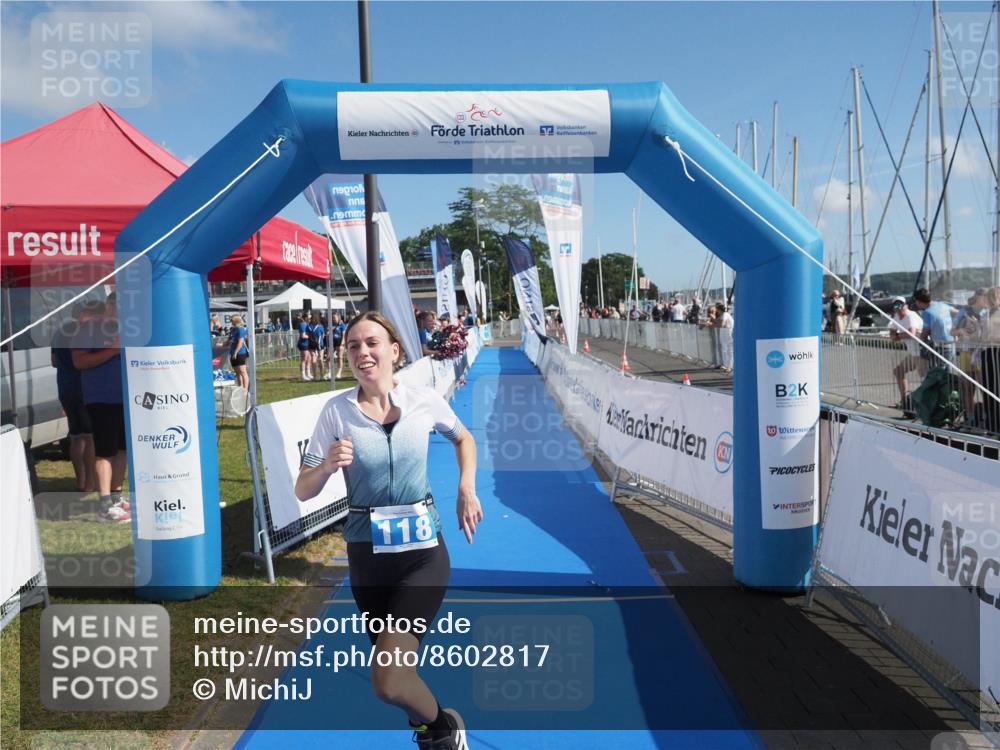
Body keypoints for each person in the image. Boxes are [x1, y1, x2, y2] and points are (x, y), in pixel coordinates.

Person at [295, 311, 481, 749]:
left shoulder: (422, 400)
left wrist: (466, 488)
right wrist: (325, 467)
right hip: (368, 559)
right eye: (354, 345)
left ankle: (444, 728)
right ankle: (430, 733)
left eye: (372, 343)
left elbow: (464, 439)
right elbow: (303, 489)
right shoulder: (335, 412)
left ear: (395, 350)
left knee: (388, 680)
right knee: (396, 672)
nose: (363, 352)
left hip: (423, 555)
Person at [72, 296, 129, 523]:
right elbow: (79, 362)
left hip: (126, 398)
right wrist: (114, 351)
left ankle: (116, 496)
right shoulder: (88, 330)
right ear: (111, 306)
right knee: (106, 451)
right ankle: (105, 504)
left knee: (123, 450)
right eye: (121, 307)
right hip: (101, 399)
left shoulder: (128, 328)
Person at [51, 305, 96, 493]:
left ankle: (80, 481)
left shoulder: (59, 332)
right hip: (83, 388)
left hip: (65, 387)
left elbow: (54, 361)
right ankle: (91, 484)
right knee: (90, 437)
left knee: (76, 436)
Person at [888, 296, 926, 410]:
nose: (899, 307)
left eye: (901, 305)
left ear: (906, 305)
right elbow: (891, 329)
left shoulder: (911, 315)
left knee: (924, 378)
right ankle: (905, 401)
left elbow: (912, 333)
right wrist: (893, 334)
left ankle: (924, 405)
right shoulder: (896, 316)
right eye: (896, 305)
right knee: (898, 371)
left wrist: (898, 336)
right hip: (913, 353)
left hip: (922, 352)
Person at [228, 314, 250, 391]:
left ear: (235, 321)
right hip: (232, 352)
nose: (231, 322)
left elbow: (240, 342)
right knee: (237, 372)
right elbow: (229, 341)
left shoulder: (241, 329)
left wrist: (236, 352)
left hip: (240, 353)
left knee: (242, 371)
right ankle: (240, 388)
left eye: (232, 321)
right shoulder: (232, 330)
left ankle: (245, 390)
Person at [714, 302, 734, 373]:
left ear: (719, 310)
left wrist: (713, 322)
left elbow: (722, 324)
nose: (716, 311)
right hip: (724, 333)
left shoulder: (725, 314)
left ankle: (729, 366)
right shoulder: (723, 315)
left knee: (729, 350)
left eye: (717, 309)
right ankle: (726, 365)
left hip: (727, 332)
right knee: (725, 350)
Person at [297, 313, 313, 381]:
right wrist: (310, 337)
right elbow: (302, 335)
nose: (310, 319)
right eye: (308, 317)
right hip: (303, 344)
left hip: (307, 343)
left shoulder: (307, 324)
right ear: (305, 317)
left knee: (309, 359)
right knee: (304, 360)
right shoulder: (302, 324)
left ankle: (308, 373)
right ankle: (303, 375)